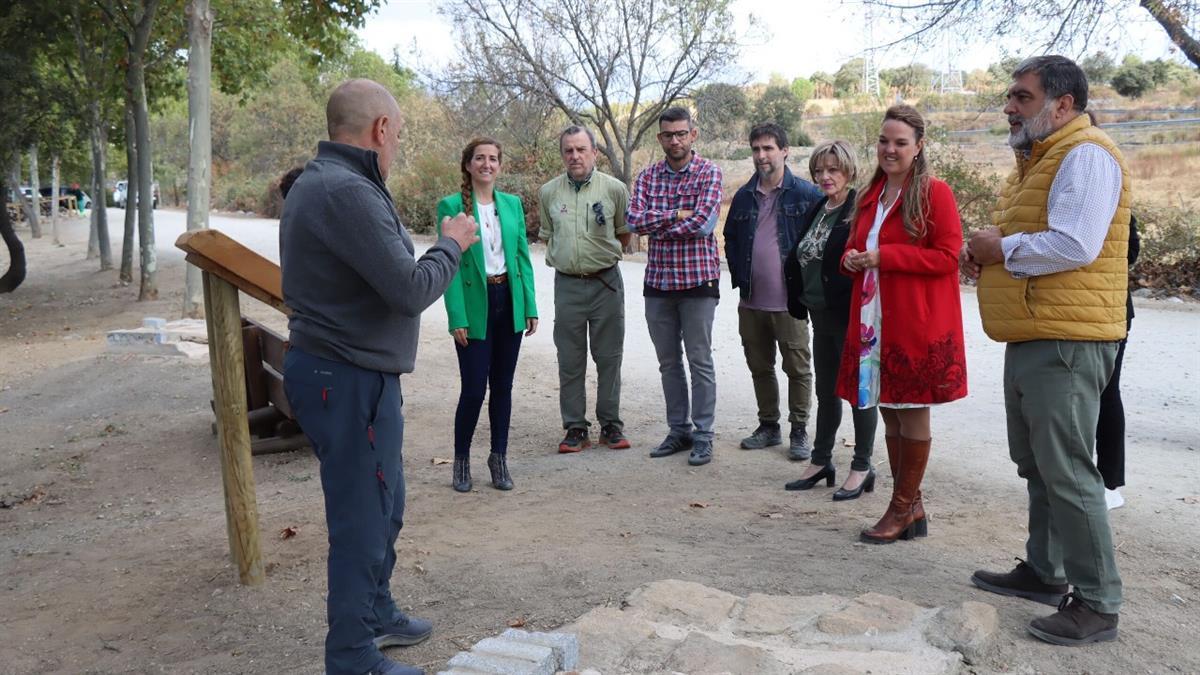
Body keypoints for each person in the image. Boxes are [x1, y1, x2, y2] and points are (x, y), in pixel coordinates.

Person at [280, 78, 478, 675]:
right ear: (381, 129)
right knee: (363, 520)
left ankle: (377, 613)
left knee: (385, 506)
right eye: (398, 134)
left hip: (356, 375)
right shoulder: (345, 191)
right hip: (345, 379)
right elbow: (409, 289)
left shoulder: (339, 184)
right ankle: (351, 656)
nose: (396, 146)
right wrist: (450, 244)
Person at [963, 56, 1130, 646]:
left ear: (1063, 105)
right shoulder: (1041, 158)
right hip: (1038, 331)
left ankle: (1097, 603)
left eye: (1022, 97)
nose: (1009, 106)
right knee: (1038, 462)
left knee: (1067, 469)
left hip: (1068, 338)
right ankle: (1044, 570)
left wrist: (999, 246)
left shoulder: (1085, 153)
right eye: (1011, 96)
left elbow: (1075, 243)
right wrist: (990, 249)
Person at [838, 105, 967, 543]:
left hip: (915, 322)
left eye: (899, 143)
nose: (889, 150)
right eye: (883, 141)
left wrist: (884, 258)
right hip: (874, 320)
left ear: (918, 147)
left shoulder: (935, 193)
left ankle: (901, 506)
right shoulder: (870, 194)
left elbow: (949, 257)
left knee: (912, 414)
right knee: (890, 411)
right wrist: (852, 259)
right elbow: (856, 246)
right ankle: (909, 505)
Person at [437, 137, 538, 492]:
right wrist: (457, 318)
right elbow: (448, 266)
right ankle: (461, 461)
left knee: (504, 388)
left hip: (507, 300)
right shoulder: (451, 206)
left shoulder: (511, 205)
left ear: (500, 165)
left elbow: (522, 258)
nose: (487, 164)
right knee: (474, 389)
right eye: (480, 158)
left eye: (493, 158)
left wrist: (530, 305)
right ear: (468, 164)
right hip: (474, 305)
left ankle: (499, 457)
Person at [783, 140, 880, 499]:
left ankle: (862, 465)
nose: (825, 177)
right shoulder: (819, 208)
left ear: (849, 171)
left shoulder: (859, 209)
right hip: (820, 314)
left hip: (851, 315)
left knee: (859, 391)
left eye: (833, 170)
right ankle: (821, 459)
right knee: (826, 391)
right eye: (819, 171)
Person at [627, 106, 723, 467]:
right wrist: (675, 215)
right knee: (668, 363)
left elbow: (702, 224)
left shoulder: (709, 173)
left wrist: (659, 223)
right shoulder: (648, 177)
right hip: (659, 282)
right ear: (660, 138)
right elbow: (634, 221)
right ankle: (678, 430)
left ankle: (703, 435)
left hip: (698, 280)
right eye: (668, 134)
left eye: (682, 133)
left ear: (693, 135)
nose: (675, 140)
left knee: (700, 361)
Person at [723, 123, 820, 460]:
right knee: (760, 367)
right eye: (756, 149)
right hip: (751, 302)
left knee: (797, 368)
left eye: (768, 148)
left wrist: (810, 286)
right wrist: (740, 277)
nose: (761, 156)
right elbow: (731, 239)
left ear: (784, 150)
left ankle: (799, 430)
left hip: (790, 304)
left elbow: (822, 242)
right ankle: (768, 426)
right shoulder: (744, 196)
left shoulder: (807, 195)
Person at [538, 126, 632, 453]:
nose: (575, 156)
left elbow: (623, 235)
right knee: (570, 359)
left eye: (581, 150)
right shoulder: (549, 192)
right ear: (562, 154)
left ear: (594, 152)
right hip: (567, 285)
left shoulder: (615, 189)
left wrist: (599, 259)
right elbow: (548, 236)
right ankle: (575, 427)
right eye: (568, 151)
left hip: (607, 283)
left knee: (609, 357)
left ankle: (611, 424)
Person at [1097, 214, 1138, 511]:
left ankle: (1110, 483)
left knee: (1107, 392)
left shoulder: (1106, 184)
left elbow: (1131, 251)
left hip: (1111, 310)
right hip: (1070, 311)